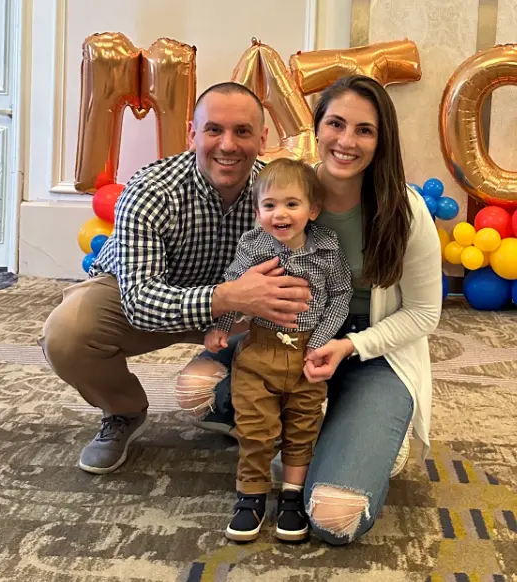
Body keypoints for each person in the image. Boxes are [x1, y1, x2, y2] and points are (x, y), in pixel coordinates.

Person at [177, 75, 442, 545]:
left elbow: (424, 315)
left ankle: (360, 432)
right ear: (316, 127)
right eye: (336, 123)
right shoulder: (282, 191)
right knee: (195, 390)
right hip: (277, 337)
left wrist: (347, 345)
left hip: (369, 346)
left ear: (382, 141)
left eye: (365, 130)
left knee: (335, 517)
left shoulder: (406, 209)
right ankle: (292, 428)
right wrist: (231, 312)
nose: (346, 140)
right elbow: (243, 269)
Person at [39, 82, 312, 475]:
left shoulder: (279, 191)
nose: (228, 145)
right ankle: (123, 410)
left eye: (243, 131)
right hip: (143, 299)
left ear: (263, 138)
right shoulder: (152, 189)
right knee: (67, 334)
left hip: (236, 313)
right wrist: (227, 296)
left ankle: (242, 406)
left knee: (306, 316)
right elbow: (139, 301)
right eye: (214, 130)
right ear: (192, 134)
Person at [206, 158, 352, 542]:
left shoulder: (325, 249)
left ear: (313, 210)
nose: (280, 214)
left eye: (291, 204)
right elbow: (234, 289)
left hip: (308, 354)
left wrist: (320, 342)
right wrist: (221, 326)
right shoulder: (254, 247)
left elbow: (340, 296)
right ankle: (251, 494)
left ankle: (291, 494)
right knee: (256, 428)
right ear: (257, 212)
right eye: (269, 205)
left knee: (302, 426)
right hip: (258, 352)